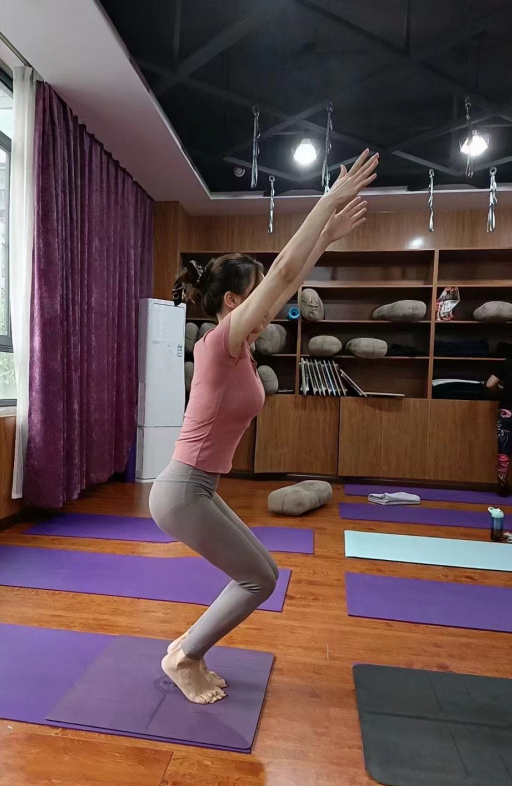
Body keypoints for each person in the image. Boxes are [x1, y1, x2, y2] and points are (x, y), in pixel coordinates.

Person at [149, 150, 379, 704]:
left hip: (198, 488)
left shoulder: (241, 348)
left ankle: (187, 650)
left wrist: (327, 238)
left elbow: (286, 279)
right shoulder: (221, 343)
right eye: (257, 294)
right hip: (183, 491)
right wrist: (327, 201)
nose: (270, 301)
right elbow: (282, 274)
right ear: (234, 301)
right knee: (259, 579)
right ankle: (184, 656)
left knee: (263, 572)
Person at [487, 356, 512, 496]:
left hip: (507, 412)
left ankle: (502, 487)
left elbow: (489, 384)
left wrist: (501, 391)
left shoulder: (509, 363)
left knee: (504, 452)